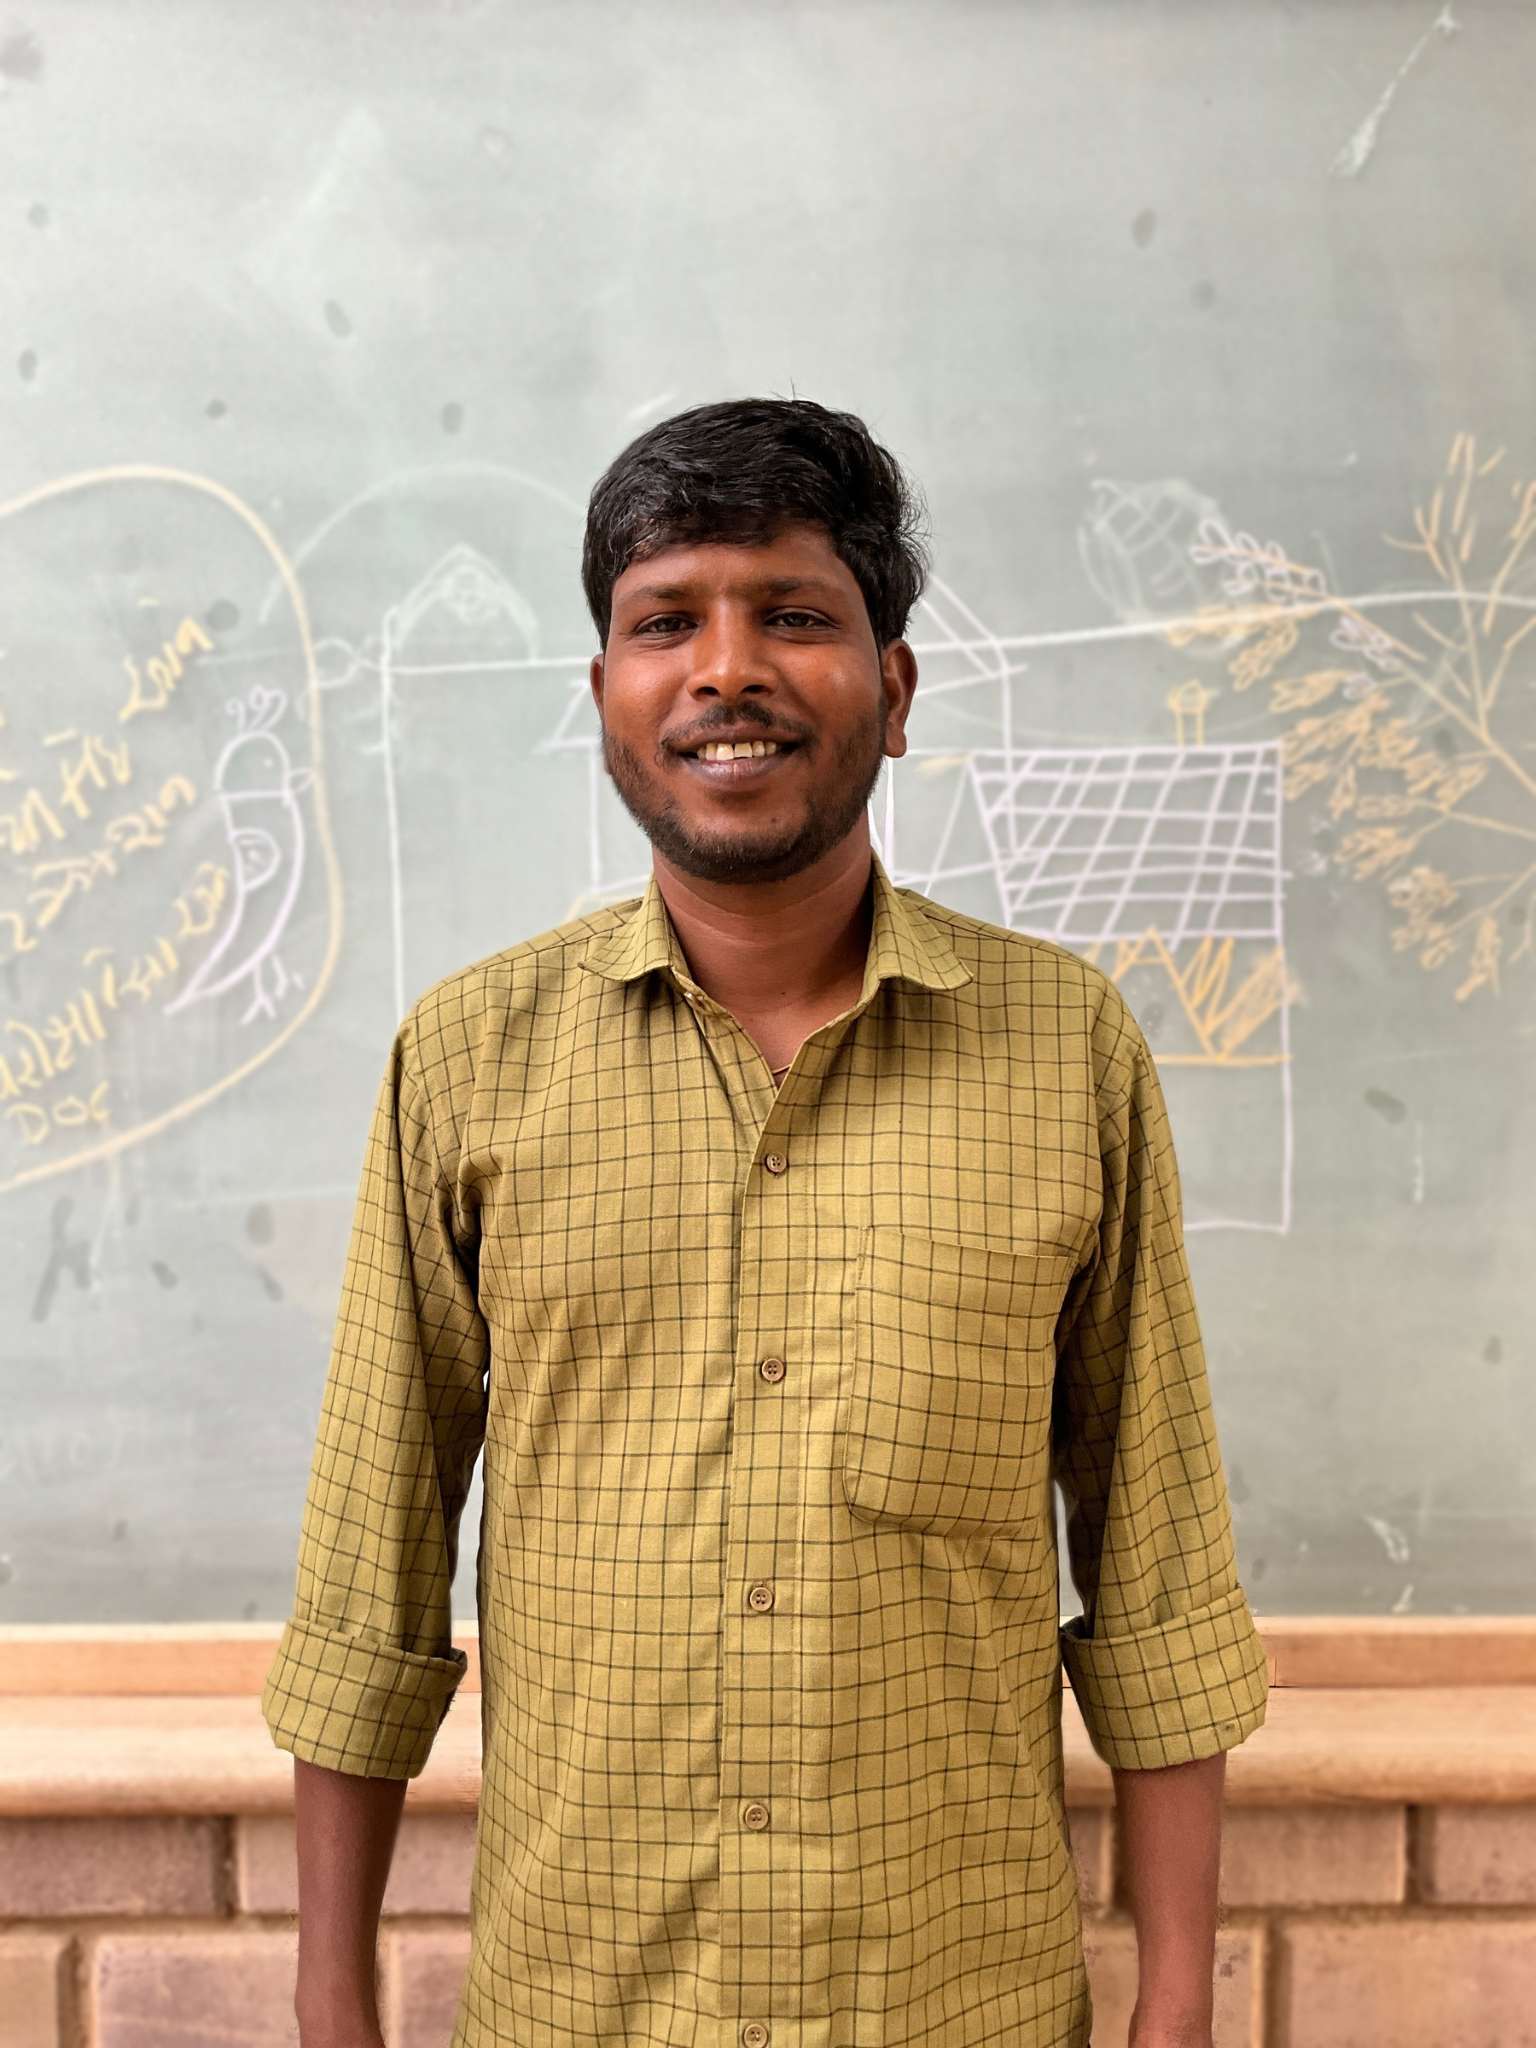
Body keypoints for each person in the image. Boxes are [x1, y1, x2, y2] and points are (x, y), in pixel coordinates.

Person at [263, 398, 1268, 2048]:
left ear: (895, 689)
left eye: (794, 614)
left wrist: (1176, 2010)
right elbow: (370, 1572)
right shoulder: (469, 1058)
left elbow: (1158, 1570)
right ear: (605, 696)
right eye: (668, 622)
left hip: (957, 2005)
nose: (726, 670)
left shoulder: (1065, 1048)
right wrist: (330, 2007)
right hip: (582, 2008)